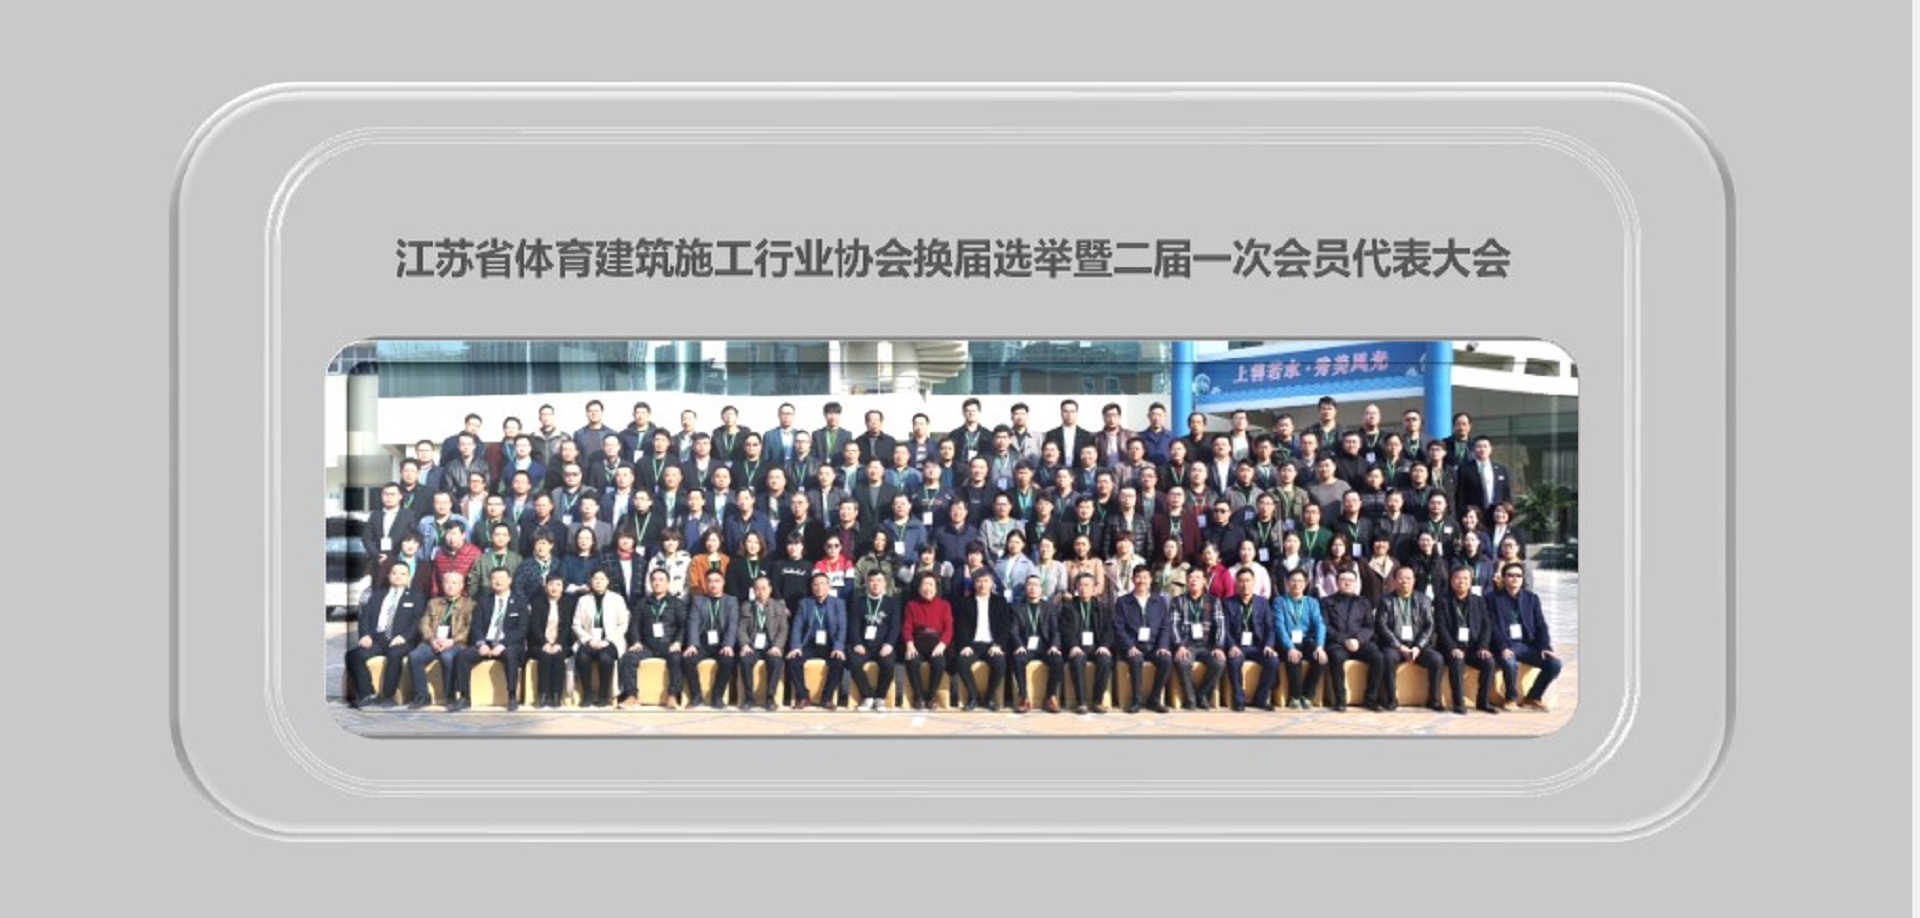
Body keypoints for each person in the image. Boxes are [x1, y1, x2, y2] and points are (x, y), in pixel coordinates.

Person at [345, 561, 426, 708]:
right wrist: (365, 635)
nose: (398, 576)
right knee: (353, 655)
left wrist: (404, 637)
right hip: (378, 639)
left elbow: (418, 621)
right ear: (389, 575)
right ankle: (367, 694)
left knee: (394, 654)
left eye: (402, 574)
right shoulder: (377, 595)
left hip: (403, 640)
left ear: (409, 577)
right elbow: (365, 617)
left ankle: (388, 696)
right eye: (394, 573)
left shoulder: (416, 596)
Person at [1487, 561, 1563, 711]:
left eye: (1518, 575)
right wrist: (1502, 647)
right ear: (1503, 578)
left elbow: (1541, 625)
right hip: (1506, 645)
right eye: (1510, 575)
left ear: (1523, 579)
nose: (1514, 578)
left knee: (1555, 664)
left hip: (1527, 646)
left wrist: (1545, 646)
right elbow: (1492, 626)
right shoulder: (1492, 598)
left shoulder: (1531, 598)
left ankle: (1533, 697)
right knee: (1510, 663)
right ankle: (1510, 699)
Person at [456, 567, 530, 711]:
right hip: (487, 642)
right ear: (490, 582)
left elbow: (522, 629)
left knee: (510, 654)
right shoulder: (484, 601)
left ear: (509, 581)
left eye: (502, 578)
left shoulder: (520, 602)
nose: (498, 581)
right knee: (463, 656)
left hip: (509, 644)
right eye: (495, 578)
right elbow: (476, 626)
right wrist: (481, 643)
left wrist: (503, 644)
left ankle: (512, 696)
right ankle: (464, 697)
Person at [1374, 566, 1443, 712]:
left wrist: (1418, 646)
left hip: (1417, 646)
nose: (1404, 581)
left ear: (1414, 581)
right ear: (1394, 581)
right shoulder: (1386, 600)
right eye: (1400, 578)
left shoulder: (1423, 600)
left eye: (1408, 578)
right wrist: (1399, 646)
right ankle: (1391, 699)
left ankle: (1434, 700)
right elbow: (1381, 626)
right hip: (1394, 646)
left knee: (1437, 659)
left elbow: (1429, 626)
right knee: (1387, 657)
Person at [1433, 564, 1500, 714]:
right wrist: (1452, 647)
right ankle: (1458, 703)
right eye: (1457, 578)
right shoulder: (1442, 601)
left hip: (1473, 647)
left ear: (1470, 581)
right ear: (1451, 580)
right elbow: (1440, 627)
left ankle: (1483, 702)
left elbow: (1486, 626)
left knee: (1489, 662)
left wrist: (1483, 647)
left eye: (1465, 578)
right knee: (1457, 662)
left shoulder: (1479, 600)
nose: (1461, 582)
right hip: (1450, 648)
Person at [618, 568, 687, 709]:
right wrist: (636, 641)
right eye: (654, 580)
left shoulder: (677, 603)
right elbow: (634, 626)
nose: (657, 583)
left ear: (668, 583)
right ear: (650, 583)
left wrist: (678, 642)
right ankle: (632, 696)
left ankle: (673, 696)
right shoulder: (642, 603)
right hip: (647, 646)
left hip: (669, 645)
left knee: (676, 658)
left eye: (661, 580)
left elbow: (683, 626)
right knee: (629, 657)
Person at [1113, 566, 1173, 713]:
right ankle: (1137, 700)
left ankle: (1154, 699)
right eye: (1138, 577)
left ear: (1151, 580)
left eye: (1145, 577)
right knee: (1135, 660)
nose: (1142, 580)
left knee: (1166, 661)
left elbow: (1165, 626)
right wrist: (1129, 646)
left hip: (1154, 646)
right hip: (1133, 646)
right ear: (1133, 579)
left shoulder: (1159, 601)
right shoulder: (1123, 602)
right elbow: (1119, 627)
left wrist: (1163, 646)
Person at [1320, 568, 1381, 711]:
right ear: (1337, 583)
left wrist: (1358, 640)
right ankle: (1340, 700)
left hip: (1360, 643)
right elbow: (1325, 626)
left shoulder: (1364, 602)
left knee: (1378, 657)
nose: (1347, 583)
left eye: (1350, 581)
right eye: (1343, 580)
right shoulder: (1326, 602)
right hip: (1337, 643)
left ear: (1356, 584)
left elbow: (1369, 627)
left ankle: (1371, 699)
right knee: (1336, 657)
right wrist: (1345, 640)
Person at [950, 570, 1012, 711]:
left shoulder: (1000, 602)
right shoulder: (965, 603)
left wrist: (998, 645)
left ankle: (989, 697)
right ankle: (973, 696)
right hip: (972, 644)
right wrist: (965, 645)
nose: (982, 584)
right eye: (978, 581)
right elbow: (960, 627)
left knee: (1000, 662)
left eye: (985, 581)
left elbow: (1004, 627)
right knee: (961, 661)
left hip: (992, 645)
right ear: (973, 584)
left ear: (991, 584)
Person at [786, 572, 848, 710]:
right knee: (793, 660)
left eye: (823, 584)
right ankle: (803, 696)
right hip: (810, 643)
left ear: (829, 586)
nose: (819, 587)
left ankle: (827, 698)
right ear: (811, 587)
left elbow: (842, 627)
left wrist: (838, 647)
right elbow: (797, 626)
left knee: (838, 661)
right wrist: (796, 646)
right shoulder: (804, 603)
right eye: (815, 584)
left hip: (830, 644)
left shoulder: (838, 603)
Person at [1220, 568, 1280, 711]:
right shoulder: (1228, 603)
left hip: (1258, 646)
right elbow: (1224, 629)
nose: (1244, 584)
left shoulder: (1262, 602)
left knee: (1273, 661)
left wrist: (1269, 645)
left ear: (1253, 583)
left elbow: (1270, 628)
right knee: (1234, 661)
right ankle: (1239, 699)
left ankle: (1261, 698)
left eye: (1248, 581)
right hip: (1238, 646)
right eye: (1241, 581)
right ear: (1236, 583)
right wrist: (1231, 646)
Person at [569, 568, 628, 708]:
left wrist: (607, 640)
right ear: (591, 581)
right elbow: (576, 625)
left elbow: (623, 624)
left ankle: (603, 695)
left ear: (607, 581)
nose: (598, 582)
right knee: (582, 656)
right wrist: (589, 640)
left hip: (610, 641)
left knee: (605, 657)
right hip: (589, 640)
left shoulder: (617, 599)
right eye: (595, 579)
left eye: (602, 579)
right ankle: (588, 695)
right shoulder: (583, 600)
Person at [681, 570, 740, 710]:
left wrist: (728, 645)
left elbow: (732, 624)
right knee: (688, 659)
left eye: (717, 581)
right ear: (706, 583)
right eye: (710, 581)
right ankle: (696, 696)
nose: (713, 584)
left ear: (723, 583)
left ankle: (717, 696)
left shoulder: (731, 601)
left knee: (728, 661)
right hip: (702, 643)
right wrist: (692, 644)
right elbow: (693, 622)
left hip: (722, 643)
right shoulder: (699, 600)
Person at [1169, 568, 1226, 710]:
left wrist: (1218, 646)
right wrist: (1180, 646)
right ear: (1186, 581)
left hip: (1208, 646)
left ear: (1204, 581)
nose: (1194, 580)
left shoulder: (1214, 601)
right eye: (1191, 577)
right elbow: (1173, 626)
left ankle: (1203, 695)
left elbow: (1220, 626)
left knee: (1219, 662)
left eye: (1198, 577)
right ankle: (1191, 699)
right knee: (1182, 662)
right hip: (1187, 645)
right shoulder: (1178, 601)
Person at [1059, 572, 1115, 714]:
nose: (1083, 588)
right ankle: (1081, 702)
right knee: (1077, 660)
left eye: (1087, 585)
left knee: (1106, 660)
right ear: (1076, 587)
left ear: (1094, 588)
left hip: (1097, 647)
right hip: (1077, 647)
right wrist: (1073, 646)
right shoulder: (1068, 607)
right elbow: (1065, 629)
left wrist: (1104, 646)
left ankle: (1097, 701)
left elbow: (1109, 629)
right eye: (1080, 585)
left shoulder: (1103, 607)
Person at [1007, 574, 1062, 713]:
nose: (1032, 588)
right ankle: (1024, 698)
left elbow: (1056, 630)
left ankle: (1050, 697)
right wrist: (1019, 645)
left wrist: (1054, 646)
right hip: (1025, 647)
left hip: (1045, 647)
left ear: (1041, 589)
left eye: (1036, 585)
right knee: (1017, 659)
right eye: (1029, 585)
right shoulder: (1017, 607)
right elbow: (1013, 630)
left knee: (1057, 660)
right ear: (1025, 588)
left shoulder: (1050, 607)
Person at [1273, 568, 1327, 709]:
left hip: (1306, 641)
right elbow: (1279, 627)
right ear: (1287, 583)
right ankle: (1295, 696)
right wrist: (1290, 647)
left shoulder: (1312, 602)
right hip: (1287, 642)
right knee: (1293, 657)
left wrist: (1320, 646)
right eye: (1293, 581)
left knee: (1320, 658)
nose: (1296, 584)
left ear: (1306, 584)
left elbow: (1320, 624)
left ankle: (1307, 695)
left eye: (1300, 581)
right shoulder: (1280, 601)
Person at [734, 575, 790, 711]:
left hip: (771, 646)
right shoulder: (746, 606)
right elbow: (741, 629)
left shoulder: (779, 606)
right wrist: (745, 644)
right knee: (745, 660)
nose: (760, 592)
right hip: (752, 646)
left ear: (770, 589)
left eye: (764, 588)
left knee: (776, 661)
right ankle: (749, 698)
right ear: (753, 590)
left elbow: (783, 629)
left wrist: (777, 646)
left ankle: (770, 698)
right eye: (757, 589)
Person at [845, 570, 899, 711]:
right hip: (863, 645)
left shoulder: (892, 603)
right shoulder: (858, 602)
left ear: (885, 583)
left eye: (879, 581)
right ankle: (867, 696)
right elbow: (853, 625)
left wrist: (889, 644)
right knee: (854, 662)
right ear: (867, 583)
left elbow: (895, 627)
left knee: (888, 664)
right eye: (872, 581)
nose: (875, 584)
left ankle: (880, 697)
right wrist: (857, 643)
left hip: (883, 645)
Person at [900, 572, 953, 710]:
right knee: (911, 661)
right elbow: (907, 627)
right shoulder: (911, 605)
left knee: (939, 662)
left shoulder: (944, 605)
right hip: (917, 642)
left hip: (937, 643)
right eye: (925, 584)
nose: (928, 588)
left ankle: (931, 696)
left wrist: (942, 645)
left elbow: (949, 629)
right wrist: (910, 645)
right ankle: (918, 697)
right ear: (919, 588)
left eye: (931, 585)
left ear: (936, 588)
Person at [525, 572, 574, 709]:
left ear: (563, 588)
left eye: (558, 585)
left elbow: (567, 628)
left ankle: (557, 695)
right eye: (551, 584)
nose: (554, 588)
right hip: (539, 644)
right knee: (545, 656)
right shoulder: (538, 603)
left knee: (558, 656)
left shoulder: (569, 604)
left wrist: (558, 644)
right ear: (545, 586)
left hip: (561, 644)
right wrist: (544, 643)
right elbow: (534, 627)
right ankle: (543, 694)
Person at [1455, 435, 1513, 520]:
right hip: (1474, 516)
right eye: (1479, 447)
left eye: (1485, 446)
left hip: (1497, 515)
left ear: (1490, 449)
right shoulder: (1465, 469)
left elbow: (1506, 494)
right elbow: (1460, 494)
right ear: (1473, 449)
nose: (1482, 449)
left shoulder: (1501, 470)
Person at [365, 482, 416, 572]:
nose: (389, 497)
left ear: (400, 496)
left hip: (400, 561)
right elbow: (366, 538)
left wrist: (394, 557)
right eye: (385, 494)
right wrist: (377, 555)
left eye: (392, 494)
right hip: (378, 561)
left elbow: (412, 538)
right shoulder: (375, 515)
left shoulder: (409, 515)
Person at [429, 521, 480, 599]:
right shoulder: (439, 554)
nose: (451, 538)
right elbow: (435, 580)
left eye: (454, 534)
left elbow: (477, 579)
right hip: (444, 598)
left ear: (463, 535)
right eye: (448, 534)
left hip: (466, 599)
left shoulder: (474, 553)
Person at [1043, 398, 1094, 473]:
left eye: (1072, 411)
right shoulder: (1052, 434)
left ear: (1077, 413)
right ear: (1061, 413)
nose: (1069, 415)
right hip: (1057, 473)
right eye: (1066, 411)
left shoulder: (1086, 435)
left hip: (1080, 472)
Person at [1313, 533, 1359, 601]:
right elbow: (1318, 585)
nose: (1338, 548)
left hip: (1348, 602)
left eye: (1341, 545)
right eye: (1335, 545)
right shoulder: (1322, 564)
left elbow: (1357, 585)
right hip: (1328, 602)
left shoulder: (1353, 564)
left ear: (1345, 547)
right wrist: (1326, 600)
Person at [558, 526, 602, 597]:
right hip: (570, 597)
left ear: (593, 541)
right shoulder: (568, 559)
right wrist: (576, 589)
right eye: (580, 538)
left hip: (593, 596)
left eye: (587, 538)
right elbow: (561, 578)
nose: (583, 541)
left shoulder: (598, 559)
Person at [621, 400, 666, 464]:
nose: (640, 416)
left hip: (650, 466)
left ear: (649, 414)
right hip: (629, 467)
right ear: (633, 415)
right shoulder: (624, 434)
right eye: (638, 413)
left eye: (643, 413)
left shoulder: (656, 434)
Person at [813, 401, 851, 469]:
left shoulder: (847, 435)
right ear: (824, 415)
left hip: (839, 469)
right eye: (829, 413)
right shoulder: (817, 434)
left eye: (836, 413)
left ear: (840, 415)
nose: (833, 417)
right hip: (821, 470)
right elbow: (814, 455)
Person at [1095, 402, 1133, 469]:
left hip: (1125, 472)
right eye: (1108, 416)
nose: (1112, 419)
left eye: (1114, 415)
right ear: (1103, 418)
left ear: (1119, 417)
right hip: (1104, 472)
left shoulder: (1129, 435)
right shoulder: (1097, 437)